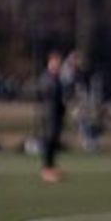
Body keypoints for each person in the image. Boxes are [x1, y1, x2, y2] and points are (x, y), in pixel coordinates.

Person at [36, 51, 69, 181]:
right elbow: (46, 94)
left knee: (54, 140)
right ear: (50, 63)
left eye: (59, 63)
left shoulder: (57, 78)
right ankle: (46, 169)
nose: (58, 65)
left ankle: (52, 167)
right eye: (56, 62)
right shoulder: (46, 77)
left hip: (56, 113)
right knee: (49, 140)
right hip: (49, 113)